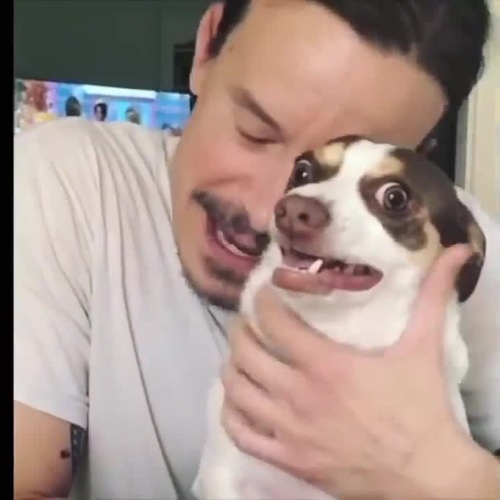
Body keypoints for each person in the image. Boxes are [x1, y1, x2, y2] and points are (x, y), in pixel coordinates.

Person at [14, 1, 500, 499]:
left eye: (370, 186)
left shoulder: (445, 251)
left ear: (417, 155)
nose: (276, 211)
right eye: (255, 132)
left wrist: (445, 477)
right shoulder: (68, 182)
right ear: (206, 48)